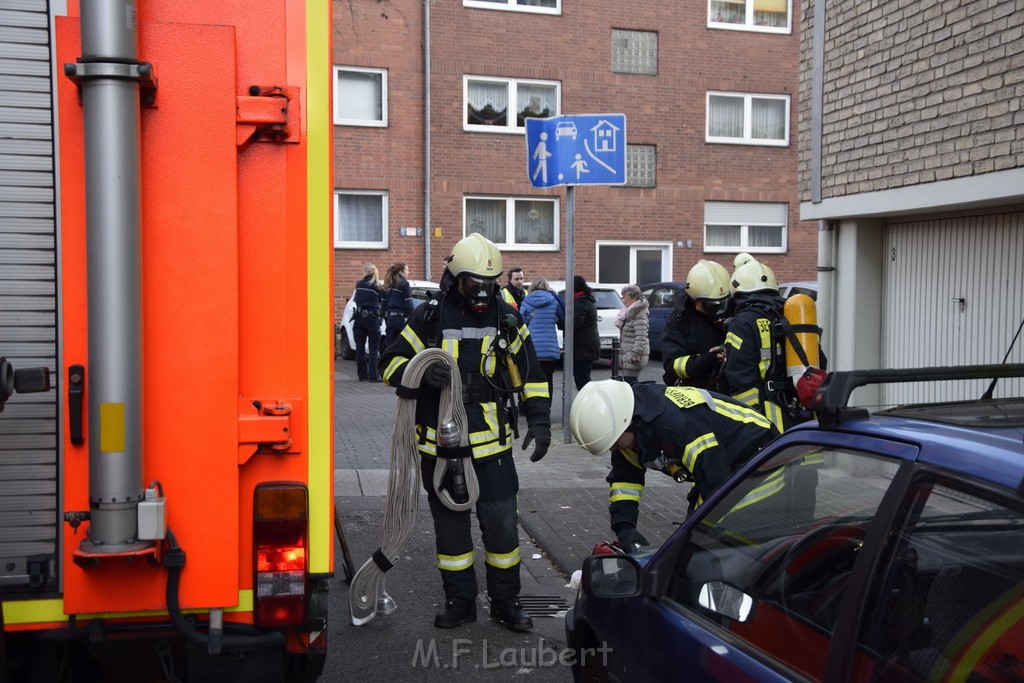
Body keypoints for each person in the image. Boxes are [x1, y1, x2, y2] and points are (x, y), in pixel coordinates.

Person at [378, 233, 552, 633]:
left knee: (502, 523)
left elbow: (531, 374)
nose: (482, 293)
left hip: (492, 444)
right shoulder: (429, 317)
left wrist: (539, 421)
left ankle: (506, 602)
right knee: (451, 527)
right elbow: (389, 363)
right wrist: (419, 374)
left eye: (489, 284)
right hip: (441, 443)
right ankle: (460, 601)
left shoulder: (506, 315)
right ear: (455, 278)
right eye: (475, 284)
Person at [569, 379, 777, 552]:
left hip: (760, 454)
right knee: (695, 539)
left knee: (721, 537)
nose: (614, 450)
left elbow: (716, 484)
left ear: (627, 422)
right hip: (720, 463)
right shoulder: (631, 427)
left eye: (613, 444)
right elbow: (626, 480)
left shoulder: (680, 426)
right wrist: (625, 527)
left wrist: (690, 540)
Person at [723, 253, 796, 432]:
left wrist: (748, 421)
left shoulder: (743, 323)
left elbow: (740, 378)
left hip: (769, 422)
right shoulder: (793, 315)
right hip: (803, 414)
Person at [661, 259, 732, 392]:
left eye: (723, 304)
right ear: (695, 301)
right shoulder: (680, 320)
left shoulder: (735, 311)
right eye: (711, 306)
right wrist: (706, 360)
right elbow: (672, 366)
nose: (719, 312)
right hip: (695, 394)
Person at [519, 276, 565, 397]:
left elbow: (521, 323)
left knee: (532, 381)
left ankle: (533, 407)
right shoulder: (554, 300)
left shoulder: (526, 301)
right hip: (550, 348)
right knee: (548, 379)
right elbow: (563, 318)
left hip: (532, 348)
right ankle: (547, 410)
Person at [352, 263, 384, 382]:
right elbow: (381, 302)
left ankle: (362, 375)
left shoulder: (359, 284)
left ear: (365, 272)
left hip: (359, 318)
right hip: (372, 319)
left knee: (359, 348)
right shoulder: (377, 286)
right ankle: (373, 376)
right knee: (373, 348)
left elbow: (356, 300)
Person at [569, 275, 600, 390]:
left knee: (583, 382)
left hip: (584, 348)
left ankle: (590, 406)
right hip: (585, 346)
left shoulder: (581, 302)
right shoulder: (585, 299)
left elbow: (574, 324)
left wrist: (560, 321)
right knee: (582, 379)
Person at [616, 284, 650, 385]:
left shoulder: (639, 314)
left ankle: (640, 400)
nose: (623, 300)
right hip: (627, 353)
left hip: (633, 355)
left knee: (632, 383)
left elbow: (641, 336)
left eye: (625, 297)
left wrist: (636, 354)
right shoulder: (629, 312)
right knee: (629, 382)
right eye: (622, 297)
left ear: (634, 297)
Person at [383, 262, 414, 350]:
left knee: (390, 348)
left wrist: (386, 319)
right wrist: (413, 317)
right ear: (401, 271)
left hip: (389, 319)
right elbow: (409, 305)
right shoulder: (404, 284)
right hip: (400, 320)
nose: (408, 272)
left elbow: (383, 305)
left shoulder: (388, 284)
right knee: (401, 348)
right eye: (407, 270)